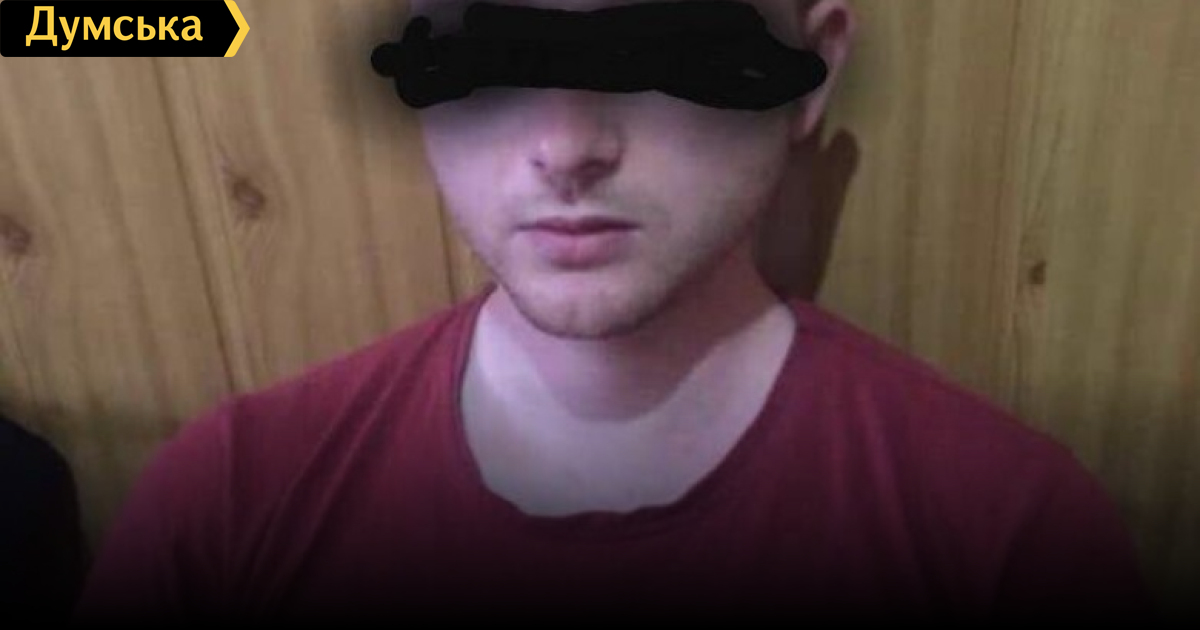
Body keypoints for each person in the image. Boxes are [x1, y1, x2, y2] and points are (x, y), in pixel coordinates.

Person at [76, 0, 1152, 620]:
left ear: (810, 73)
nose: (566, 144)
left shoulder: (1013, 540)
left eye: (664, 42)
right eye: (489, 49)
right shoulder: (217, 514)